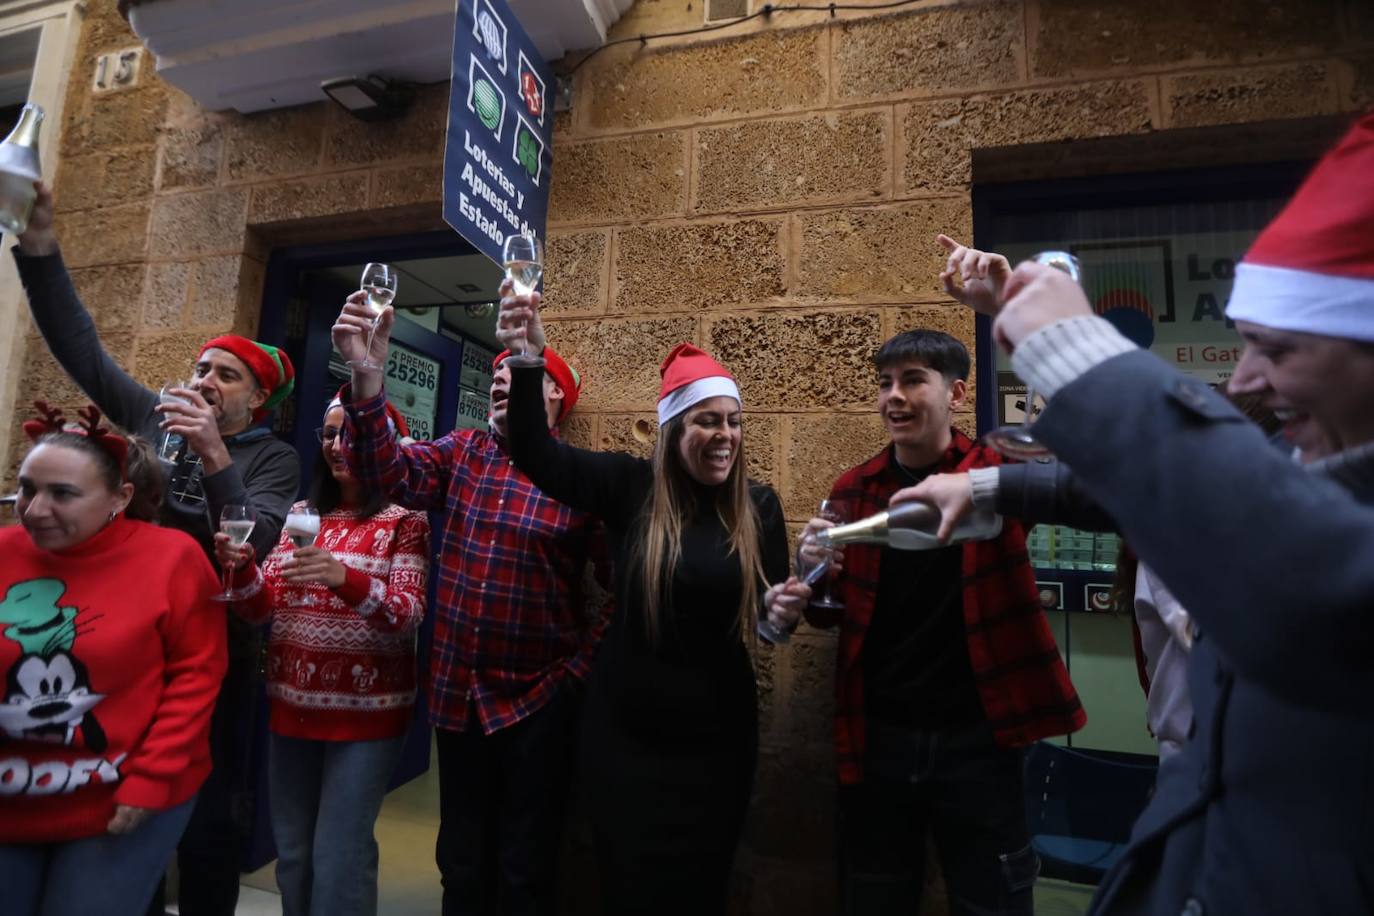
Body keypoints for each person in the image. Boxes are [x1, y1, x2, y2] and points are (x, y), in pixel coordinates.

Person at [924, 111, 1374, 915]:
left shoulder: (1322, 545)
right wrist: (987, 488)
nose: (1239, 381)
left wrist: (1079, 355)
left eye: (1275, 350)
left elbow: (1313, 584)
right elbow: (1207, 470)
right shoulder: (1308, 464)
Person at [14, 182, 301, 916]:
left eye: (225, 375)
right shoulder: (151, 416)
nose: (205, 381)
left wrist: (211, 454)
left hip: (214, 656)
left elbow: (255, 541)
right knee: (112, 809)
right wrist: (39, 248)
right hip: (123, 647)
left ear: (255, 401)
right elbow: (79, 348)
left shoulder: (274, 460)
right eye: (202, 367)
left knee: (207, 823)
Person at [763, 328, 1085, 915]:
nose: (894, 396)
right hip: (880, 738)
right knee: (875, 896)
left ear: (956, 393)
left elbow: (1077, 468)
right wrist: (808, 573)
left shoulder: (994, 474)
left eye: (913, 380)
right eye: (886, 383)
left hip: (982, 740)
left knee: (993, 902)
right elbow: (830, 608)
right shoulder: (855, 490)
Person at [495, 286, 791, 915]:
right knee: (628, 888)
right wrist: (527, 360)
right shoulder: (630, 489)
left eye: (734, 422)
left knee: (701, 891)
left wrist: (786, 615)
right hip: (624, 738)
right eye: (707, 420)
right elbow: (534, 451)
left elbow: (770, 623)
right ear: (674, 426)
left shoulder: (758, 507)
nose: (724, 436)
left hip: (717, 741)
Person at [331, 290, 611, 916]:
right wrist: (368, 379)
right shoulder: (462, 453)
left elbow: (621, 585)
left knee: (524, 869)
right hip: (459, 697)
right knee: (459, 866)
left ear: (556, 398)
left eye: (519, 375)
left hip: (539, 702)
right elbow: (384, 473)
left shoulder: (576, 479)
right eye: (496, 374)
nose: (499, 381)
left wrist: (576, 674)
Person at [0, 403, 227, 915]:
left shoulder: (173, 559)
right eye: (27, 488)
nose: (35, 510)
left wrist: (152, 778)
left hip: (118, 799)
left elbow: (196, 676)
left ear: (120, 499)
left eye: (63, 494)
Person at [212, 392, 430, 916]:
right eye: (329, 433)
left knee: (340, 858)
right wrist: (240, 568)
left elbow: (406, 613)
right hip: (293, 708)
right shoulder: (303, 515)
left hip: (367, 716)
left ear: (384, 445)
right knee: (294, 857)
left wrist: (343, 577)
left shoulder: (406, 520)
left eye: (350, 432)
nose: (336, 444)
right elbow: (260, 608)